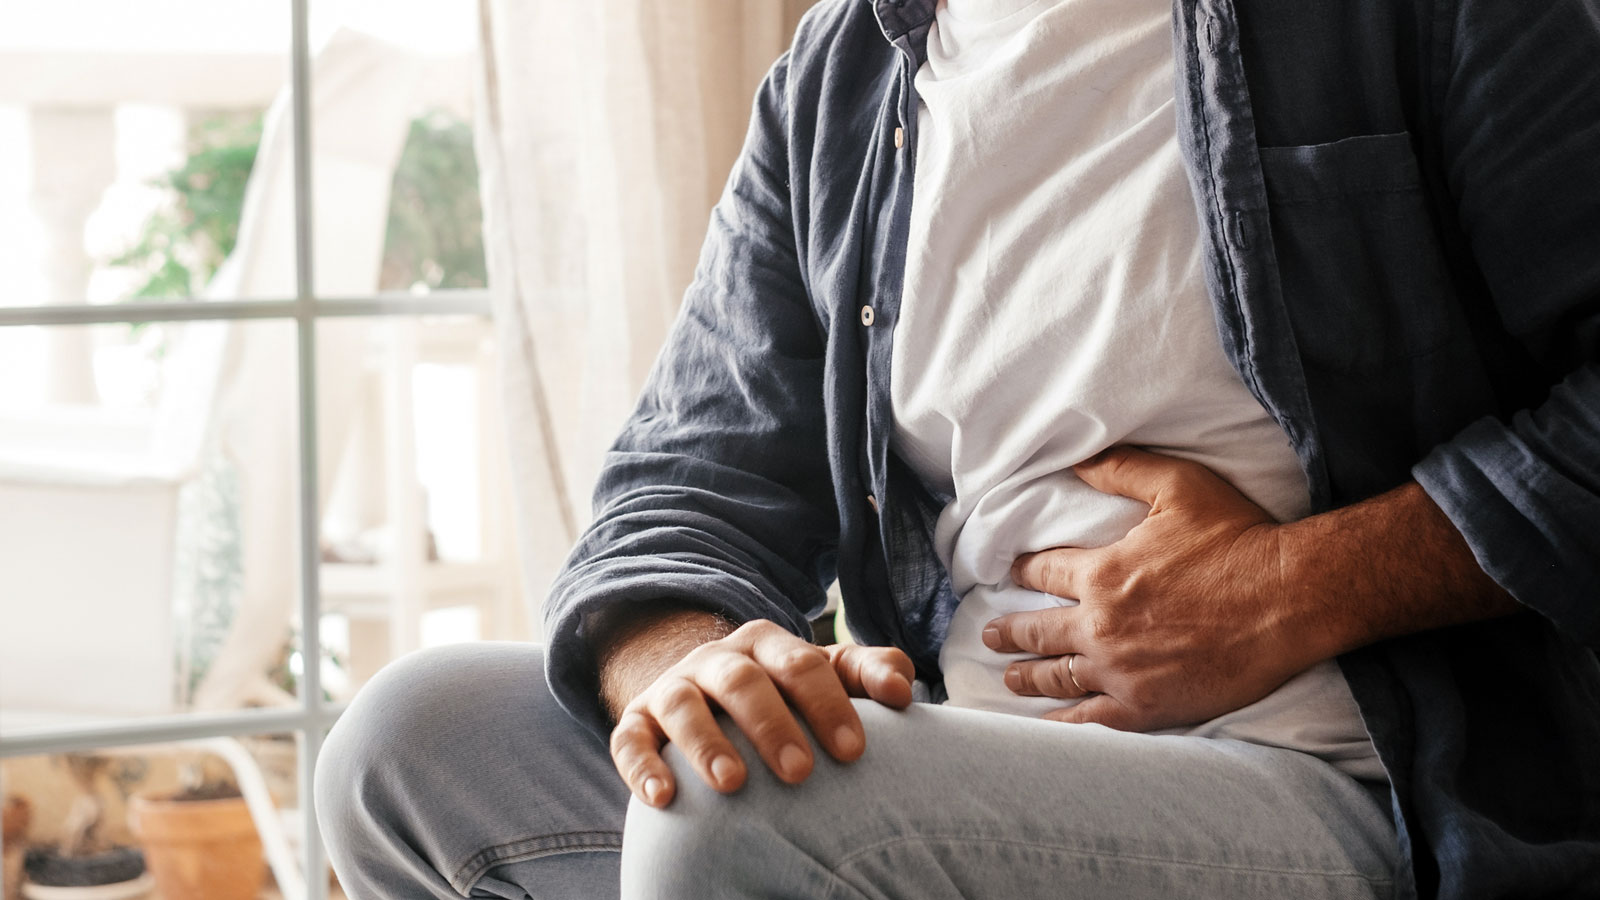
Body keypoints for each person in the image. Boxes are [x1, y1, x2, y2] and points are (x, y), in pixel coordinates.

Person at [314, 0, 1600, 897]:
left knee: (742, 821)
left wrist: (1292, 589)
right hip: (953, 759)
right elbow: (684, 479)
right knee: (408, 743)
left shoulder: (1424, 13)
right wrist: (697, 664)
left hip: (1350, 788)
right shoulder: (842, 77)